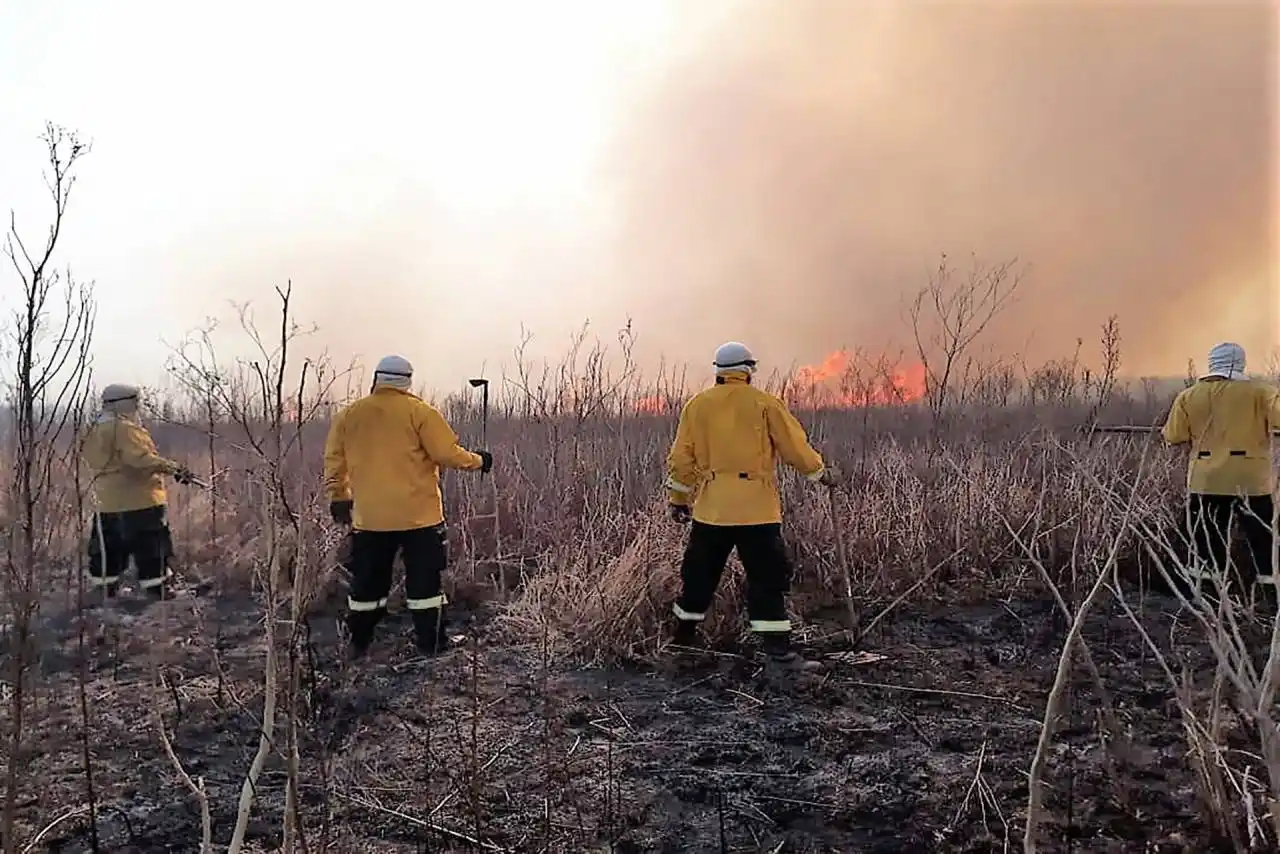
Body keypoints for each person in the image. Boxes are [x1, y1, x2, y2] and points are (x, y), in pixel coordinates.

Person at [665, 341, 843, 671]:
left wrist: (678, 501)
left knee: (698, 578)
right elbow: (795, 448)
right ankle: (779, 654)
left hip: (711, 511)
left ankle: (681, 643)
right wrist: (821, 474)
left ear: (719, 371)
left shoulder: (697, 406)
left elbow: (681, 459)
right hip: (756, 513)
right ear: (748, 370)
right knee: (766, 580)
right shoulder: (765, 404)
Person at [323, 355, 493, 660]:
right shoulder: (420, 412)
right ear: (407, 382)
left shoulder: (349, 415)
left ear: (377, 379)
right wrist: (479, 460)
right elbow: (446, 453)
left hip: (370, 518)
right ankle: (431, 644)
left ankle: (359, 643)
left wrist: (338, 496)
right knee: (425, 584)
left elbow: (335, 460)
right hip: (420, 518)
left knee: (368, 585)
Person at [1162, 342, 1280, 602]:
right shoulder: (1261, 392)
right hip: (1251, 481)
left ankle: (1207, 598)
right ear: (1241, 362)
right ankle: (1270, 598)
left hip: (1206, 481)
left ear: (1211, 362)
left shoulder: (1189, 396)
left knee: (1206, 541)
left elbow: (1174, 434)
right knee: (1264, 540)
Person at [81, 383, 196, 599]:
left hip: (106, 502)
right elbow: (140, 459)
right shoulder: (124, 428)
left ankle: (105, 591)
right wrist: (174, 468)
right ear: (127, 403)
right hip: (139, 501)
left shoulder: (92, 428)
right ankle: (158, 590)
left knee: (108, 549)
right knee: (151, 547)